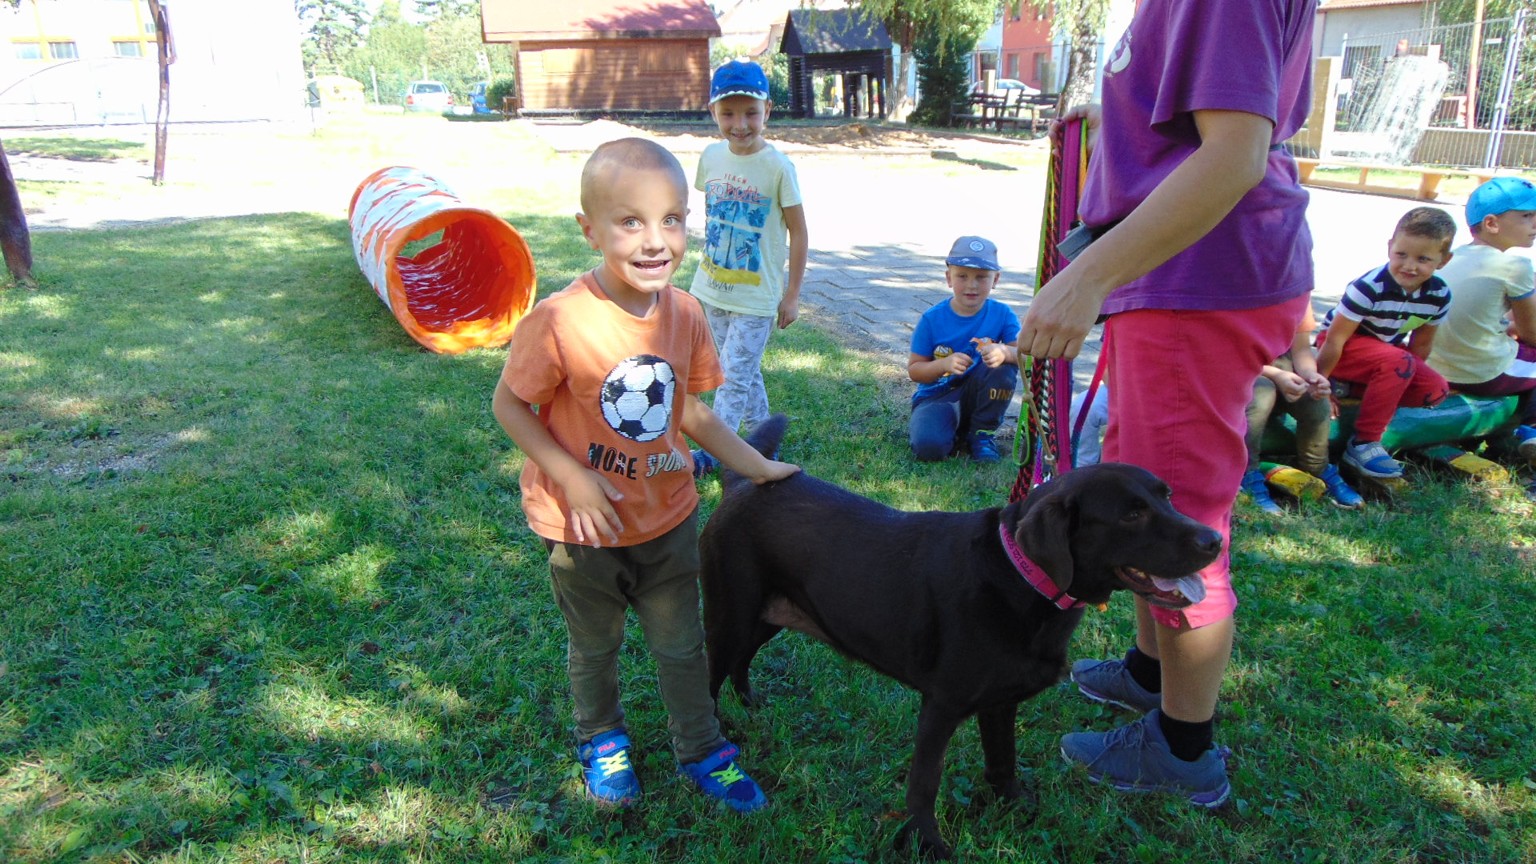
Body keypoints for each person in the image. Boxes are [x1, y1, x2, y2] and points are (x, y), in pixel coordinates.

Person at [1016, 0, 1318, 807]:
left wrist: (1086, 276)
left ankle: (1184, 750)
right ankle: (1150, 674)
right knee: (1147, 495)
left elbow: (1234, 154)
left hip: (1194, 281)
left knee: (1176, 526)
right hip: (1178, 280)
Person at [491, 137, 798, 812]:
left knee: (682, 645)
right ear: (590, 229)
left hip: (667, 521)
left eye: (672, 220)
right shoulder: (560, 321)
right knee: (594, 647)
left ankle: (701, 747)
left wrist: (757, 466)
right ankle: (602, 738)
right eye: (630, 221)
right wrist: (571, 476)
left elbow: (690, 410)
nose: (655, 240)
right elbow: (509, 405)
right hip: (585, 530)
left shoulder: (685, 314)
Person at [688, 59, 809, 477]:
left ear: (767, 110)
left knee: (730, 375)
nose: (740, 125)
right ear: (713, 112)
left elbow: (799, 233)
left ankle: (714, 453)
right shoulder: (710, 157)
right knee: (741, 367)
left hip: (756, 296)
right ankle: (763, 436)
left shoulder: (778, 168)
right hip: (712, 288)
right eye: (728, 114)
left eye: (751, 113)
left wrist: (791, 296)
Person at [1314, 207, 1456, 480]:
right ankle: (1364, 442)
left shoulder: (1439, 294)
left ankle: (1354, 388)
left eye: (1423, 259)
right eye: (1401, 254)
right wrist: (1322, 384)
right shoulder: (1369, 286)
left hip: (1385, 354)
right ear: (1390, 247)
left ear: (1443, 260)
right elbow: (1335, 338)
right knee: (1398, 361)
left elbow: (1421, 346)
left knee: (1434, 391)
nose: (1409, 266)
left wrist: (1410, 376)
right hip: (1344, 347)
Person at [1426, 176, 1536, 463]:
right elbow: (1532, 334)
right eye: (1527, 216)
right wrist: (1515, 329)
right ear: (1491, 223)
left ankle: (1505, 432)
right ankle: (1529, 431)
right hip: (1479, 371)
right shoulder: (1516, 266)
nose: (1535, 223)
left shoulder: (1451, 258)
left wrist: (1509, 327)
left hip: (1435, 366)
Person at [907, 235, 1020, 462]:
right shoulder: (931, 319)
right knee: (929, 448)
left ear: (996, 279)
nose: (972, 285)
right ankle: (955, 429)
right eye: (962, 276)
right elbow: (915, 370)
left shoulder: (1003, 314)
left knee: (1004, 368)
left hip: (979, 392)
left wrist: (1005, 352)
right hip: (937, 396)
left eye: (981, 277)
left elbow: (1027, 357)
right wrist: (943, 365)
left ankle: (982, 434)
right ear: (949, 278)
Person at [1241, 306, 1364, 513]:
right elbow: (1230, 355)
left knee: (1316, 402)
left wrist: (1311, 376)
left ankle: (1316, 466)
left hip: (1284, 374)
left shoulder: (1296, 297)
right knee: (1262, 395)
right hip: (1244, 375)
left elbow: (1302, 350)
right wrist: (1276, 375)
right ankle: (1246, 472)